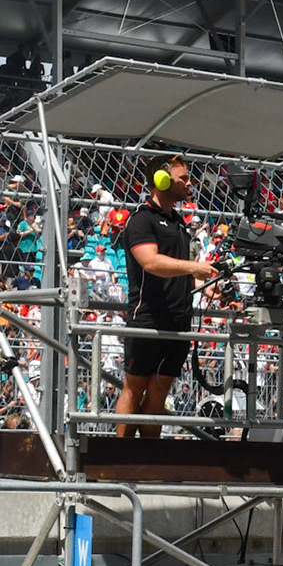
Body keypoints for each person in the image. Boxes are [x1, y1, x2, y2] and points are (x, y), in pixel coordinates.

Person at [112, 154, 217, 439]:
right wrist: (195, 267)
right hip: (147, 320)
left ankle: (146, 461)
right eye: (183, 178)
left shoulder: (180, 224)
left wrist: (208, 284)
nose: (189, 183)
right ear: (161, 180)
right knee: (133, 389)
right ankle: (119, 458)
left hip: (178, 320)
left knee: (159, 393)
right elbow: (151, 262)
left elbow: (183, 268)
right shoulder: (141, 220)